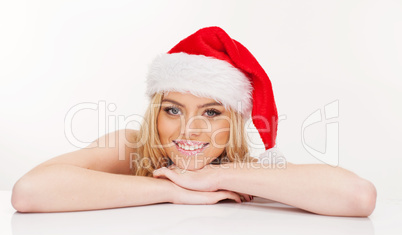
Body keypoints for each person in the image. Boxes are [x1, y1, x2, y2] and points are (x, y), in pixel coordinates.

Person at [11, 26, 377, 216]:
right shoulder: (132, 147)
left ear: (233, 122)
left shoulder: (244, 171)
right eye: (173, 110)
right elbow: (30, 192)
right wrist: (173, 190)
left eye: (212, 112)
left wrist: (216, 176)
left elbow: (358, 197)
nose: (189, 129)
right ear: (155, 113)